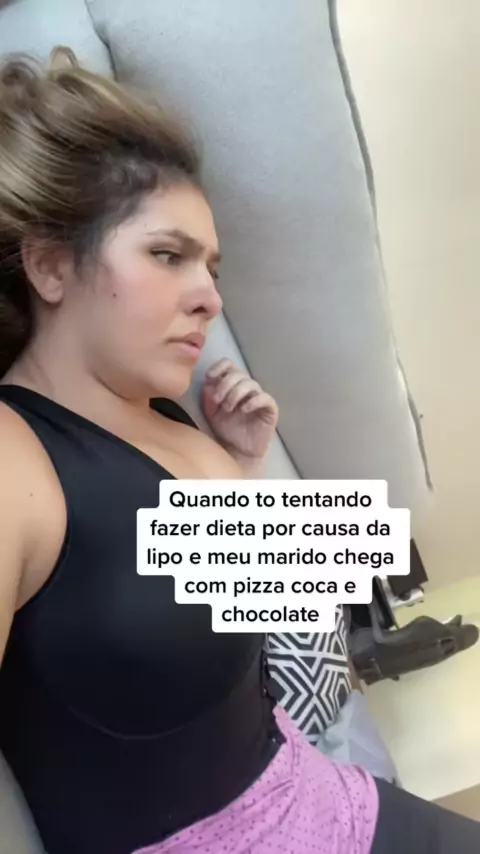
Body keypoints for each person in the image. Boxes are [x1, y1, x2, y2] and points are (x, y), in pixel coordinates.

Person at [0, 47, 478, 854]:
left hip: (329, 798)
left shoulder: (180, 428)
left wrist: (246, 471)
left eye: (212, 268)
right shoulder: (15, 456)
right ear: (50, 265)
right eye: (168, 255)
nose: (210, 297)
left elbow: (306, 662)